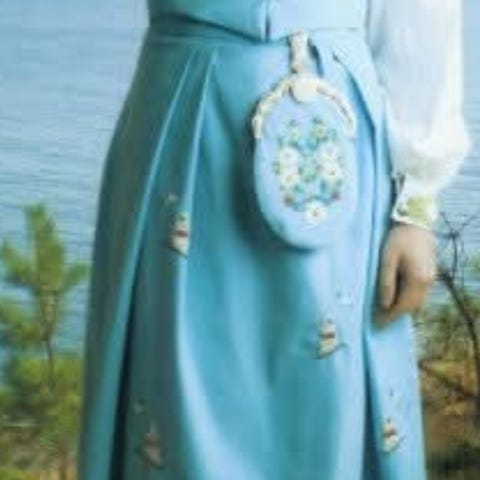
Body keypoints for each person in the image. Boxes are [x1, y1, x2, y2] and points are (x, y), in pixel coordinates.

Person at [76, 0, 471, 479]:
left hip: (330, 132)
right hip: (182, 118)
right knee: (172, 396)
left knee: (326, 394)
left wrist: (416, 205)